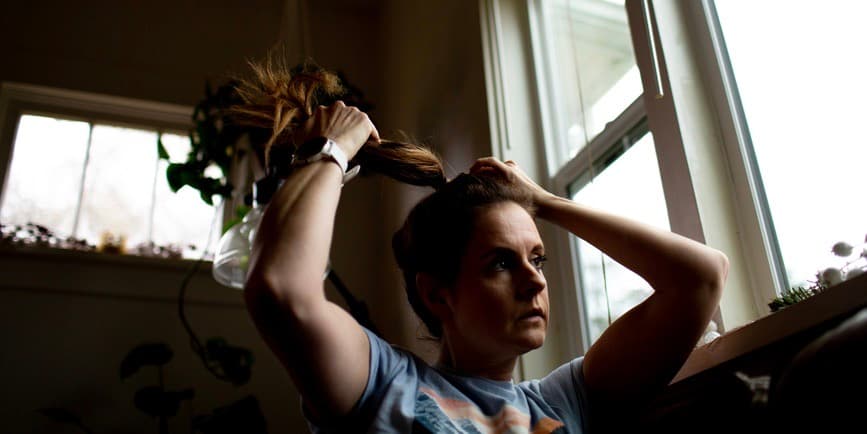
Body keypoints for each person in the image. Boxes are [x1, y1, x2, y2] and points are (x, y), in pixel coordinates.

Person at [237, 61, 729, 433]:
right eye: (500, 262)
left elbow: (700, 277)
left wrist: (543, 201)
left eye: (537, 258)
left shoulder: (568, 400)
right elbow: (281, 288)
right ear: (436, 295)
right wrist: (332, 152)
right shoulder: (384, 385)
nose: (534, 279)